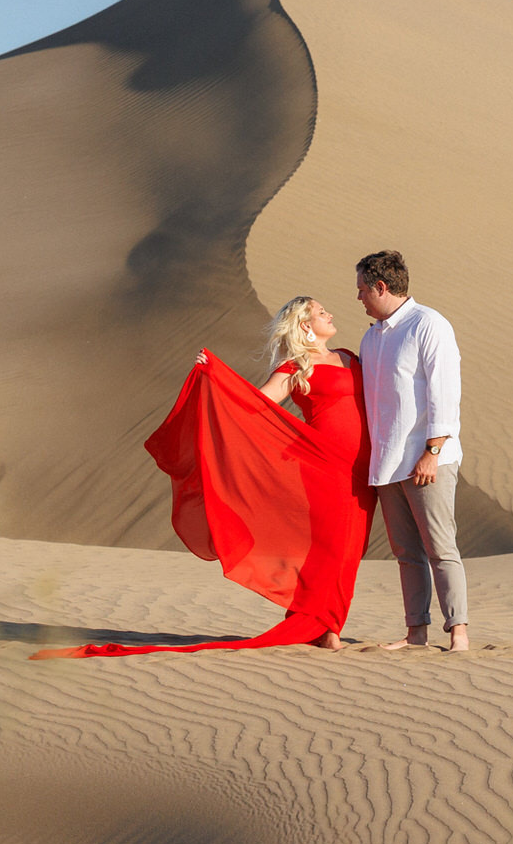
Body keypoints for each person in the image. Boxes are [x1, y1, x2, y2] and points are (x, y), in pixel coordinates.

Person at [29, 296, 376, 659]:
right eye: (321, 313)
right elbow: (253, 406)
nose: (330, 314)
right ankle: (326, 627)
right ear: (305, 324)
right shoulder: (295, 367)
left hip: (364, 471)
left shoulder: (350, 357)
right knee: (332, 548)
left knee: (352, 549)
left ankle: (319, 622)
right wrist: (217, 378)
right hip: (324, 470)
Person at [354, 250, 471, 652]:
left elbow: (444, 392)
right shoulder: (371, 337)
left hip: (427, 460)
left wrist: (433, 451)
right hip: (387, 464)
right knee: (406, 553)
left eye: (363, 290)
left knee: (441, 547)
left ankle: (459, 632)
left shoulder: (429, 325)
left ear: (381, 287)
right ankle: (416, 632)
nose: (359, 298)